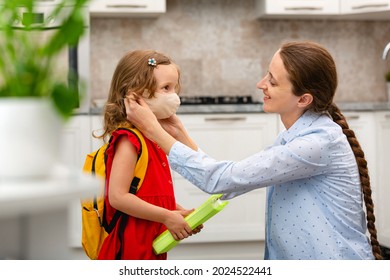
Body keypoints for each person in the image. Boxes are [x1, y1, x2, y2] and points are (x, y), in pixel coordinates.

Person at [124, 41, 383, 260]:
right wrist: (179, 134)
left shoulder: (314, 144)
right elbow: (236, 181)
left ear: (303, 99)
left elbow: (222, 179)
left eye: (272, 81)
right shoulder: (294, 137)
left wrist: (153, 131)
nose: (261, 84)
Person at [95, 49, 201, 260]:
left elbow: (146, 193)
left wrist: (175, 212)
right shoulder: (129, 140)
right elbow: (118, 197)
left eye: (174, 88)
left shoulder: (153, 138)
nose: (173, 96)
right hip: (130, 246)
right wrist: (167, 216)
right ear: (136, 94)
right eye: (166, 88)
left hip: (150, 240)